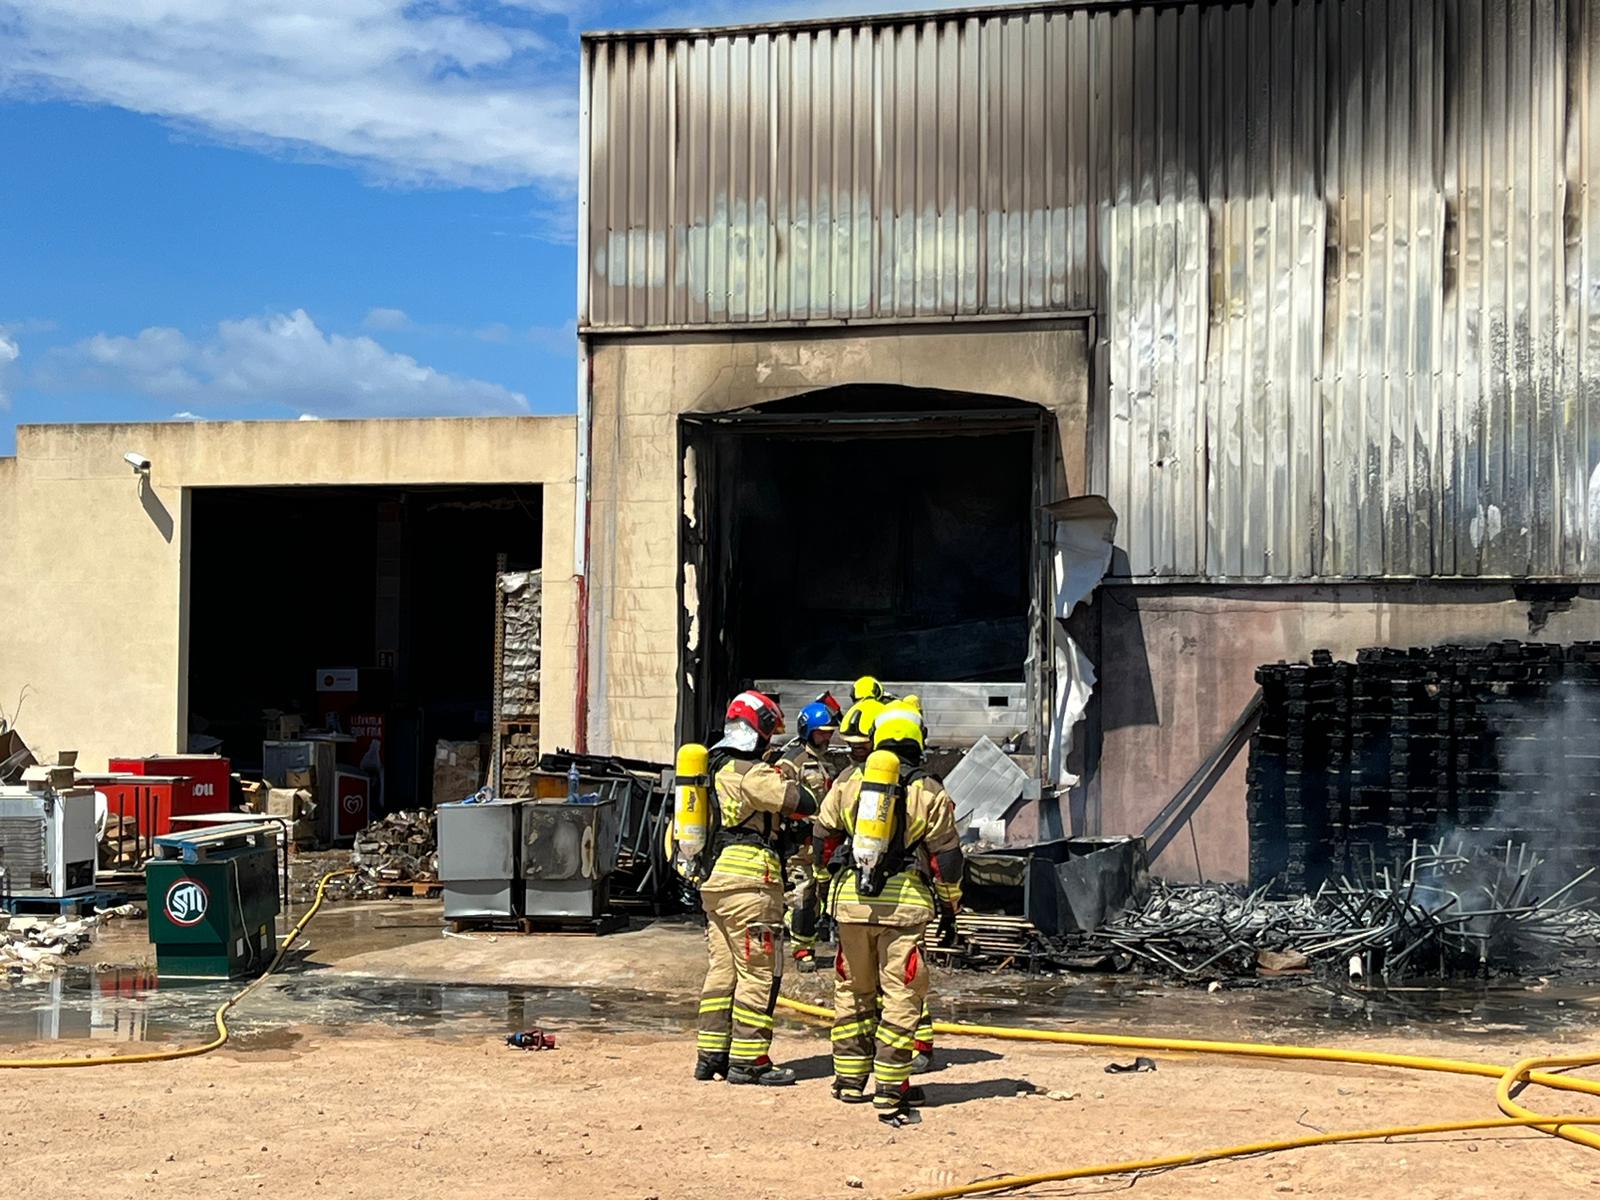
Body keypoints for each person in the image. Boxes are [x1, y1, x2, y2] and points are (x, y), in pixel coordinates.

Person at [812, 712, 964, 1123]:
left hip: (851, 905)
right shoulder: (929, 790)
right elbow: (946, 859)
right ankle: (891, 1090)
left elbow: (823, 840)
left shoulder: (848, 780)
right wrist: (950, 906)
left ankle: (848, 1081)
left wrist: (825, 889)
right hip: (904, 908)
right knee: (900, 995)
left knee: (853, 991)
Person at [693, 690, 819, 1085]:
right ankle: (749, 1061)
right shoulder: (751, 773)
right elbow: (804, 801)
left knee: (722, 973)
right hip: (752, 884)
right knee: (758, 973)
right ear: (759, 730)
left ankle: (711, 1055)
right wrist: (785, 774)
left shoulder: (711, 768)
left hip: (716, 881)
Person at [777, 700, 839, 973]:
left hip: (824, 842)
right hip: (800, 843)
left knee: (820, 897)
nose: (826, 737)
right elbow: (780, 799)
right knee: (802, 895)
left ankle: (810, 937)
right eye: (821, 733)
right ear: (807, 731)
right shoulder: (792, 763)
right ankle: (802, 950)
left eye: (829, 733)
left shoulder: (828, 763)